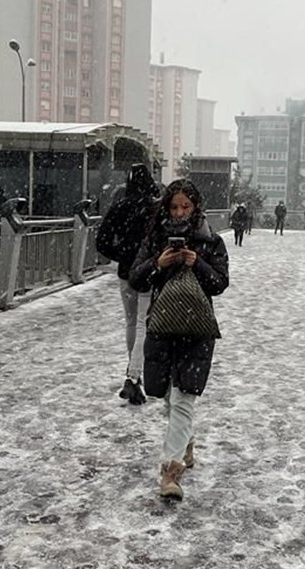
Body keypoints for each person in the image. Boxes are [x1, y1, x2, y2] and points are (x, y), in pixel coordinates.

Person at [129, 179, 229, 500]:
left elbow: (220, 283)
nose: (180, 212)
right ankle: (185, 441)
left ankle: (170, 474)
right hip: (162, 327)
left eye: (186, 206)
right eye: (174, 207)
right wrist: (158, 264)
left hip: (197, 329)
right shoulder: (155, 239)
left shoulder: (210, 241)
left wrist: (196, 263)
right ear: (166, 208)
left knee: (184, 397)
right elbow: (136, 279)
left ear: (196, 207)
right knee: (169, 400)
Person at [95, 163, 160, 405]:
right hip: (149, 271)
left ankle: (134, 372)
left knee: (131, 322)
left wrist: (121, 254)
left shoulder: (120, 205)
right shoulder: (155, 207)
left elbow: (101, 241)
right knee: (144, 323)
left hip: (126, 272)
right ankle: (134, 375)